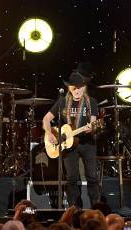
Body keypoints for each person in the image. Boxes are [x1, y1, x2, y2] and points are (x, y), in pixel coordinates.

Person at [43, 63, 100, 208]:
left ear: (85, 87)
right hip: (68, 144)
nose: (77, 90)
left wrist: (90, 129)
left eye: (80, 87)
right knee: (71, 178)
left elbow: (93, 124)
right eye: (74, 87)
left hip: (87, 144)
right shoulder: (62, 102)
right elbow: (46, 119)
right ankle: (74, 209)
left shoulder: (91, 102)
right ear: (69, 88)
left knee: (92, 177)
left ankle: (97, 208)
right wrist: (49, 132)